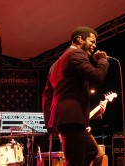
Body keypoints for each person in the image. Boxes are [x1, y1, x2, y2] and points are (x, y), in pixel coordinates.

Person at [42, 26, 109, 166]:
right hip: (71, 119)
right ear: (79, 39)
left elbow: (47, 96)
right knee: (78, 160)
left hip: (65, 119)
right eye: (92, 41)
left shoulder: (55, 65)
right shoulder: (76, 53)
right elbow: (96, 77)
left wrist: (50, 122)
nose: (95, 45)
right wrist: (103, 61)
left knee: (94, 154)